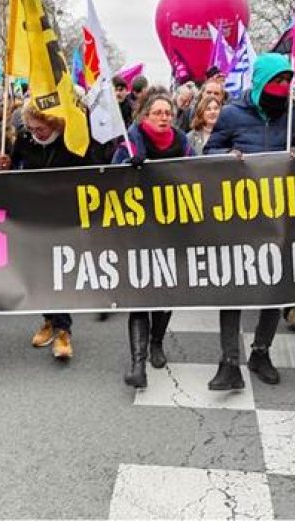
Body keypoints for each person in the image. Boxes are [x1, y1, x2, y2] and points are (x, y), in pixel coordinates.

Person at [204, 52, 295, 390]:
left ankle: (261, 351)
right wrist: (226, 158)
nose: (283, 87)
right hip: (238, 215)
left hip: (279, 214)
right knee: (232, 288)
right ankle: (228, 361)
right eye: (277, 80)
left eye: (287, 80)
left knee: (274, 287)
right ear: (261, 82)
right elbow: (208, 152)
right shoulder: (232, 114)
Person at [0, 101, 99, 361]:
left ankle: (64, 330)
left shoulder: (71, 140)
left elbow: (92, 170)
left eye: (40, 128)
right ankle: (49, 321)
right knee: (40, 273)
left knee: (59, 271)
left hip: (64, 216)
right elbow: (14, 168)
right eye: (30, 128)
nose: (35, 133)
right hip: (34, 216)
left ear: (53, 123)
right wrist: (6, 164)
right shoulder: (24, 140)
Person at [113, 92, 195, 389]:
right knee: (140, 294)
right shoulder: (129, 141)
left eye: (167, 113)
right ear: (144, 116)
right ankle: (138, 363)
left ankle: (157, 343)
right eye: (157, 112)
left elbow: (200, 174)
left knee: (166, 291)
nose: (163, 117)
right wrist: (127, 169)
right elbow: (107, 181)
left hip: (173, 227)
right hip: (138, 228)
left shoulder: (184, 142)